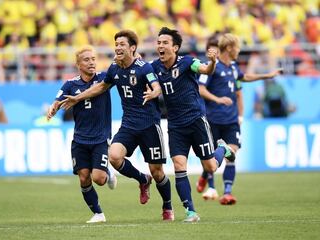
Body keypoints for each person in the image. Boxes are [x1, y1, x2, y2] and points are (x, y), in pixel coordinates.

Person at [60, 30, 174, 221]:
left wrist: (154, 92)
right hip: (129, 124)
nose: (118, 47)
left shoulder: (144, 68)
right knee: (113, 156)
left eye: (122, 44)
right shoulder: (114, 69)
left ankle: (167, 207)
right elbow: (101, 87)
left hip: (149, 125)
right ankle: (142, 179)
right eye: (116, 44)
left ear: (132, 48)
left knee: (157, 171)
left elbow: (156, 86)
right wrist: (77, 98)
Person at [150, 27, 235, 222]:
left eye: (164, 43)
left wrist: (212, 61)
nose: (160, 46)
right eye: (158, 42)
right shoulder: (155, 67)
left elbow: (205, 69)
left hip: (196, 120)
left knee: (211, 166)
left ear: (175, 47)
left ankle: (222, 148)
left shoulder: (187, 62)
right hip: (175, 125)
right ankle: (190, 211)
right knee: (179, 165)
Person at [197, 33, 282, 205]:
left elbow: (245, 77)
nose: (239, 51)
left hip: (231, 120)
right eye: (237, 48)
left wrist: (267, 75)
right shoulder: (213, 67)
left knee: (232, 153)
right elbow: (201, 89)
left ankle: (227, 192)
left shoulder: (234, 67)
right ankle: (209, 180)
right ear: (229, 48)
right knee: (211, 157)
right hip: (213, 119)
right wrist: (217, 99)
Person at [47, 46, 117, 223]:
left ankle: (108, 172)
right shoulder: (71, 84)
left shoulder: (103, 78)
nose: (91, 62)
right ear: (78, 64)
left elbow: (119, 71)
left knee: (99, 179)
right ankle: (98, 214)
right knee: (84, 177)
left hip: (100, 137)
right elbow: (57, 99)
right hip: (79, 139)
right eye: (87, 59)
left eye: (93, 59)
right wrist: (53, 108)